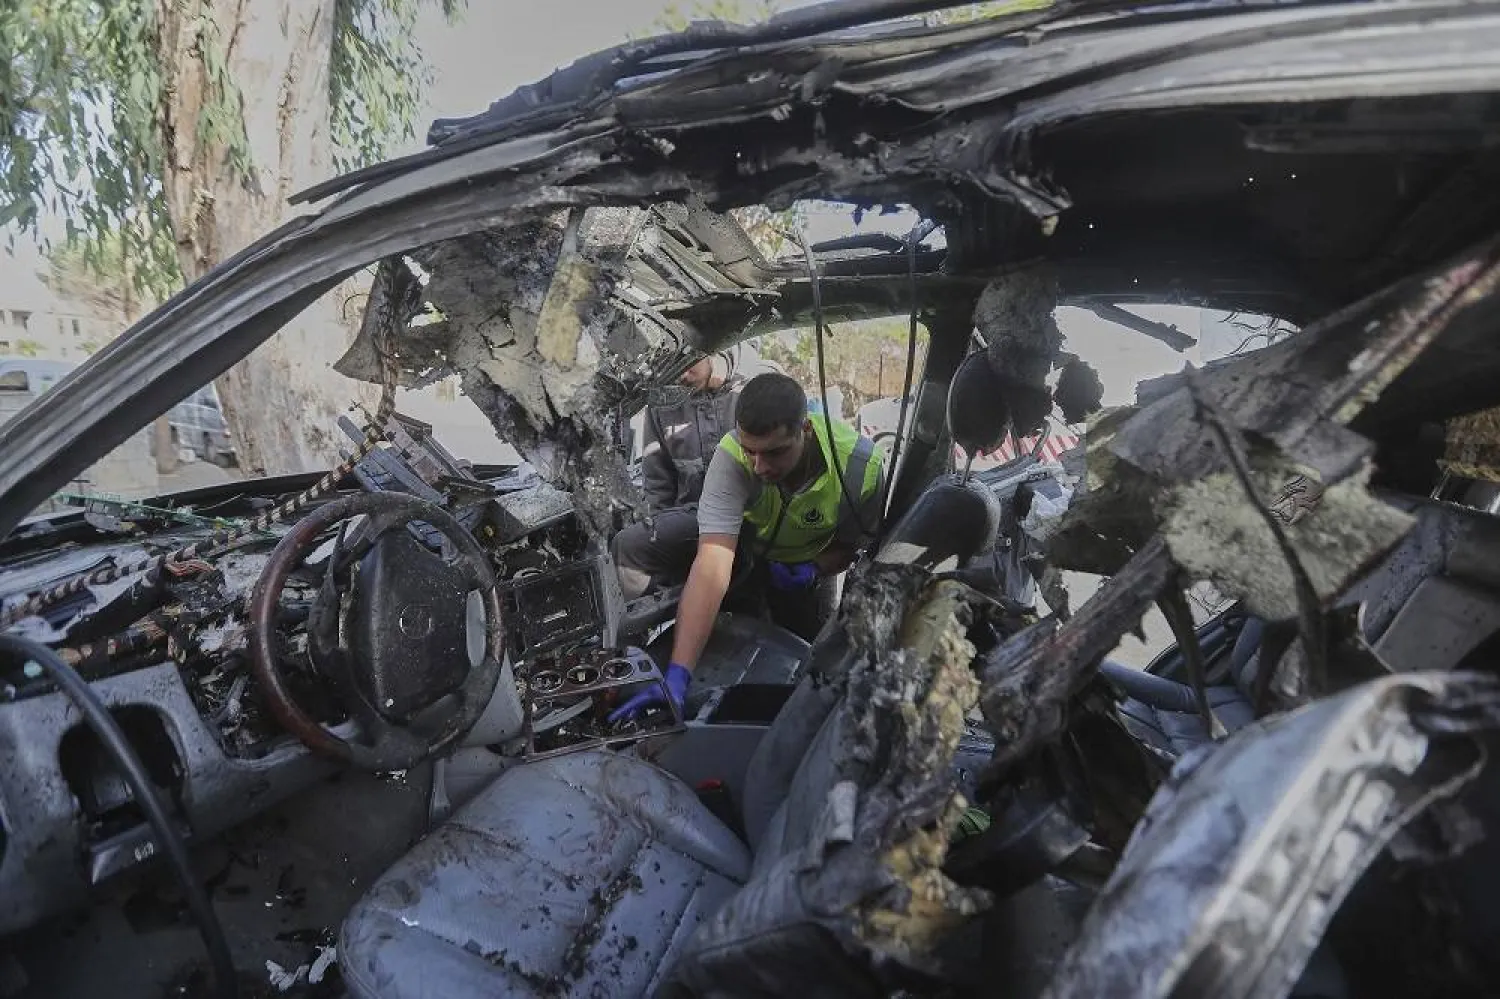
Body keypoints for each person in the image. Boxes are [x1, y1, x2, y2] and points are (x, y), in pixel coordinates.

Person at [612, 372, 884, 722]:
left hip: (806, 568)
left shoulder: (861, 469)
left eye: (774, 453)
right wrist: (677, 675)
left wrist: (814, 569)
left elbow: (852, 548)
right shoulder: (732, 457)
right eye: (750, 451)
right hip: (745, 552)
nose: (760, 466)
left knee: (806, 683)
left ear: (806, 430)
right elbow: (712, 564)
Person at [613, 355, 742, 599]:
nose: (681, 375)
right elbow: (658, 483)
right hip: (695, 519)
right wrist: (658, 532)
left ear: (710, 350)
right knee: (628, 544)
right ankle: (647, 626)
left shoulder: (751, 384)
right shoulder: (663, 401)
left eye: (686, 363)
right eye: (672, 366)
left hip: (752, 514)